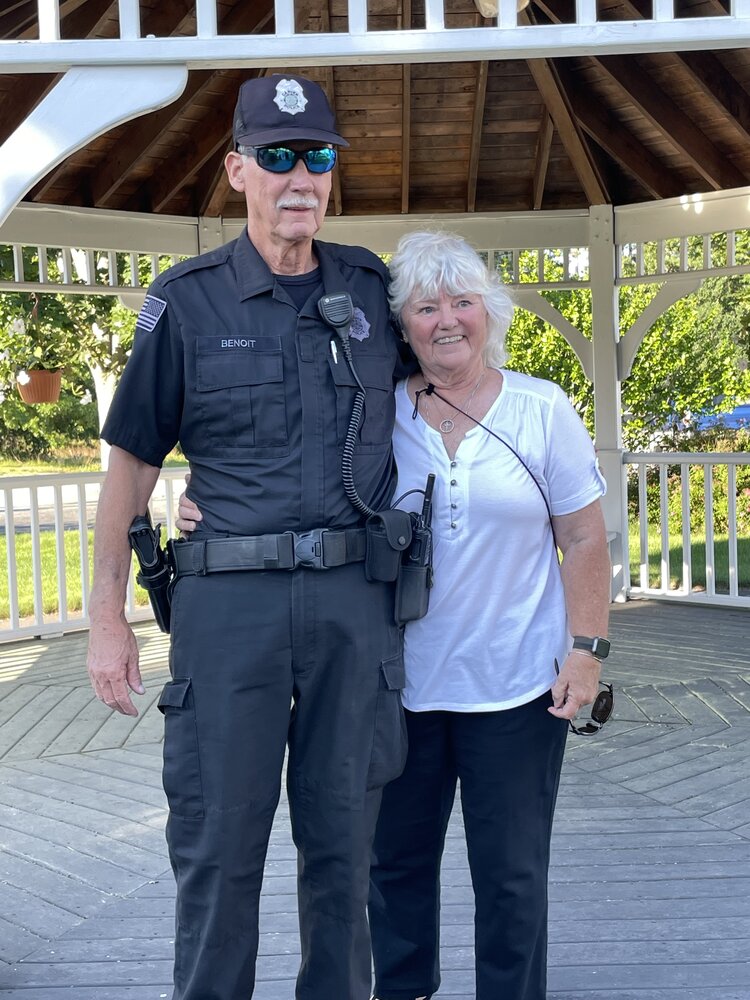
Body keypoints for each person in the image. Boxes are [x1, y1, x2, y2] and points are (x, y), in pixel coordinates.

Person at [178, 230, 612, 1000]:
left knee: (512, 877)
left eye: (462, 302)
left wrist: (586, 650)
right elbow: (293, 469)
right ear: (399, 326)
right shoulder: (376, 415)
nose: (447, 320)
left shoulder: (541, 409)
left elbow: (582, 539)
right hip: (399, 686)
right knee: (394, 870)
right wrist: (210, 504)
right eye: (425, 307)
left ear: (489, 312)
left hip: (517, 686)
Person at [86, 74, 409, 1000]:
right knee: (219, 847)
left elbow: (447, 381)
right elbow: (132, 462)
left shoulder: (372, 290)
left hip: (353, 605)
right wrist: (106, 618)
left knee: (344, 848)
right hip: (229, 611)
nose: (300, 176)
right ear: (237, 171)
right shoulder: (186, 303)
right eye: (277, 156)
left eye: (318, 157)